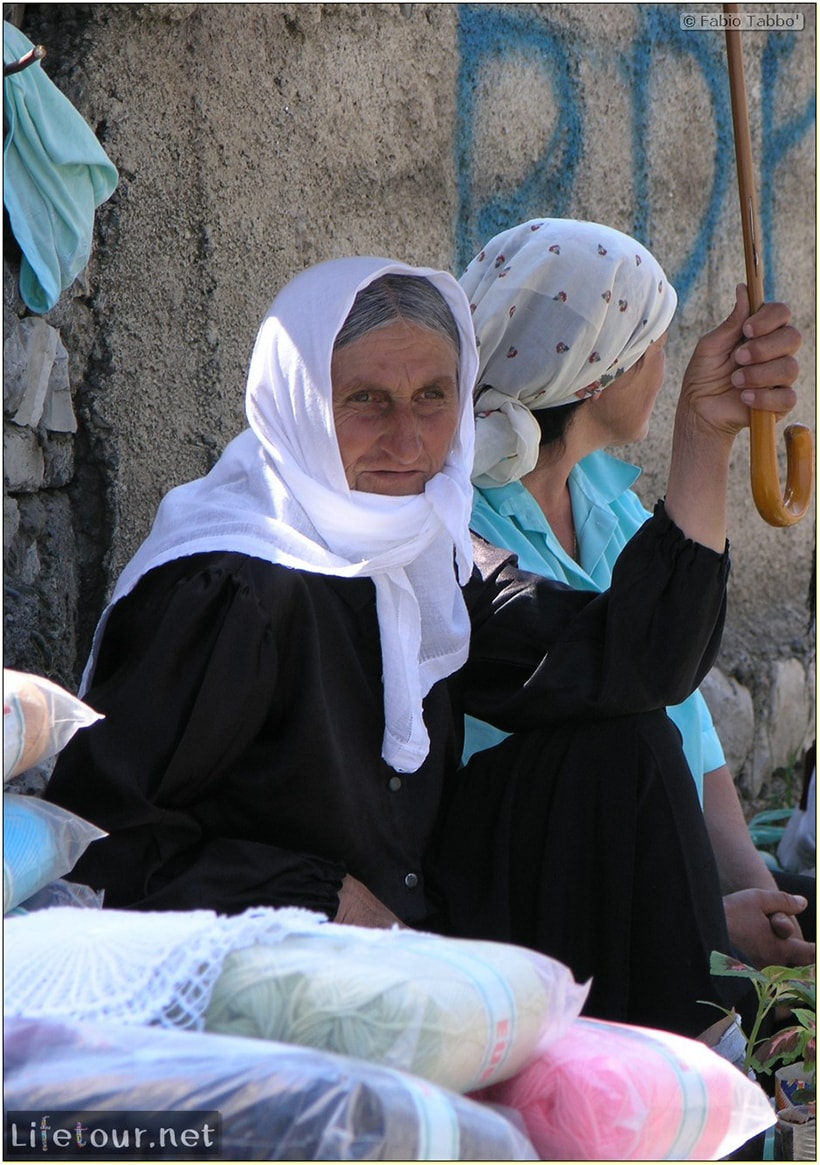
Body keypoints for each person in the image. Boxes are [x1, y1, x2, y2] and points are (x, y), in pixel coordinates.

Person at [45, 253, 801, 1037]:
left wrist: (704, 434)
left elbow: (634, 660)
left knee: (628, 744)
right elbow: (103, 845)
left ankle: (690, 1085)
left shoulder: (426, 551)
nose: (408, 439)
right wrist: (322, 894)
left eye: (433, 397)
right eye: (368, 400)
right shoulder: (232, 586)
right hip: (270, 963)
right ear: (300, 402)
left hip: (417, 931)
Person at [461, 217, 814, 969]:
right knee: (628, 733)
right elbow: (580, 794)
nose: (665, 362)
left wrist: (764, 903)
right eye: (653, 344)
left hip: (662, 874)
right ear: (597, 374)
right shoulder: (463, 532)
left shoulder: (610, 502)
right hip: (543, 906)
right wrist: (708, 923)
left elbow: (691, 727)